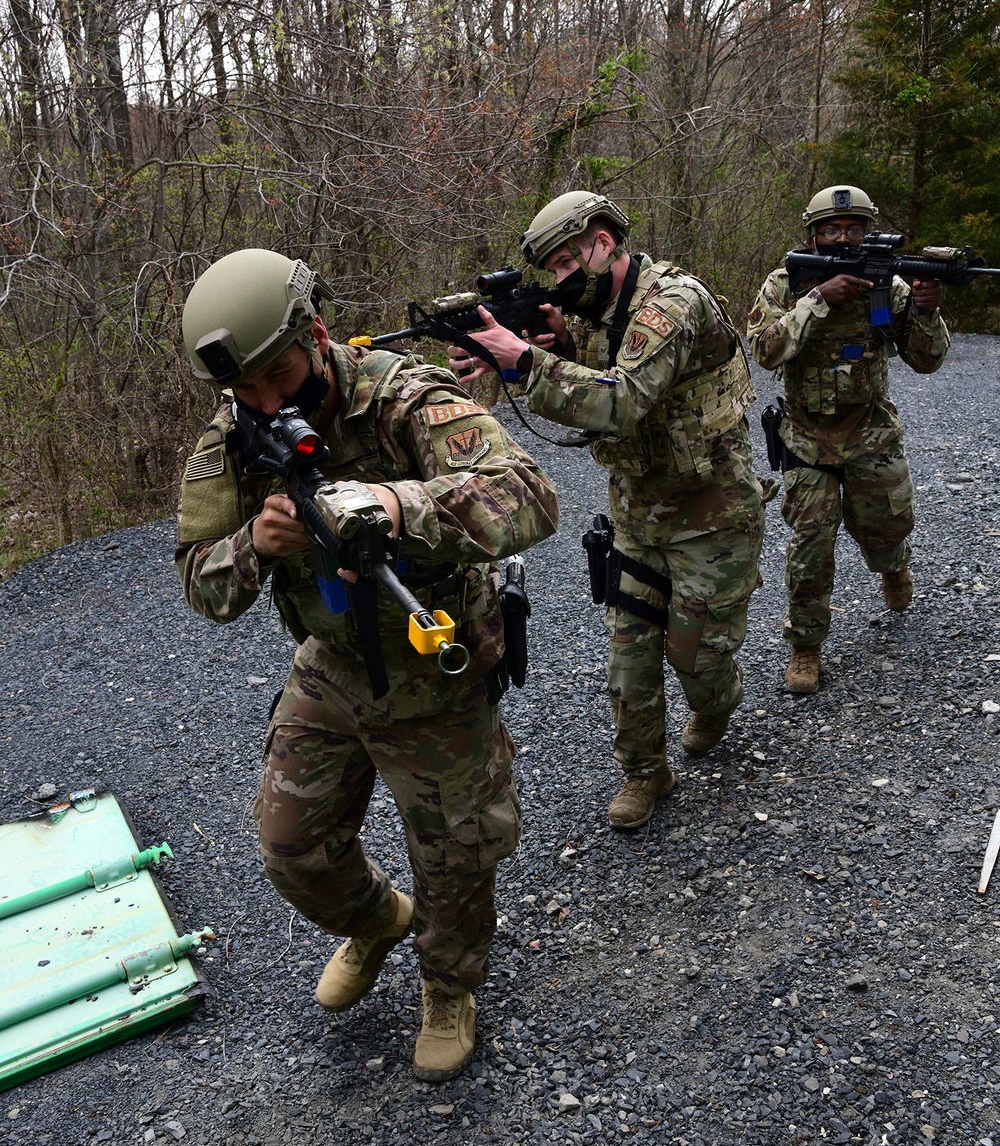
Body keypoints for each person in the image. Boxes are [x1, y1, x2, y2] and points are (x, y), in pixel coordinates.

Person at [175, 248, 558, 1082]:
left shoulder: (403, 395)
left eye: (282, 376)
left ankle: (448, 986)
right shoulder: (233, 434)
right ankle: (382, 920)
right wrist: (255, 545)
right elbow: (199, 582)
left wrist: (395, 503)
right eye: (248, 391)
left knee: (456, 854)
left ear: (317, 335)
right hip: (337, 660)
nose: (270, 403)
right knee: (292, 848)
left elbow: (529, 496)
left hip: (438, 657)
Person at [448, 192, 766, 830]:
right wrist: (525, 351)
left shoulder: (671, 302)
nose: (564, 278)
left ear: (603, 239)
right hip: (637, 514)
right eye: (554, 268)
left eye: (570, 260)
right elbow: (582, 370)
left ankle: (716, 700)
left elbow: (618, 402)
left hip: (713, 512)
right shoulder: (591, 312)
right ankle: (644, 772)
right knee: (630, 663)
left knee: (697, 658)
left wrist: (526, 360)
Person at [746, 184, 950, 694]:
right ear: (813, 235)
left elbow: (927, 362)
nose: (842, 238)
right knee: (811, 545)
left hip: (870, 430)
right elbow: (764, 351)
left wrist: (926, 309)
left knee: (887, 525)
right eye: (831, 230)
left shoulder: (889, 285)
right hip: (805, 435)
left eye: (853, 229)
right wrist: (817, 299)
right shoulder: (784, 283)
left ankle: (893, 566)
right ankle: (806, 647)